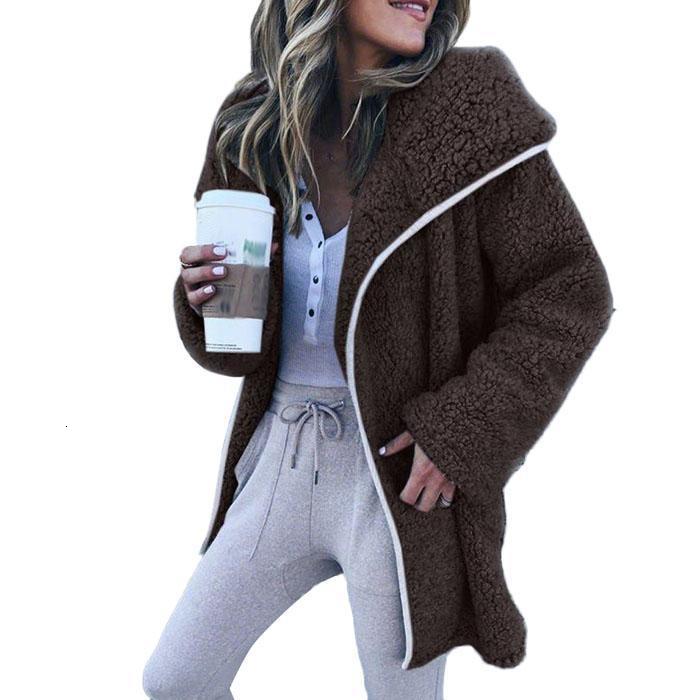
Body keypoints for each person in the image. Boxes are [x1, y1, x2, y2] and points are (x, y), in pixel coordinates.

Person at [143, 1, 614, 698]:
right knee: (176, 680)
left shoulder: (471, 109)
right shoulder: (253, 122)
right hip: (282, 452)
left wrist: (463, 429)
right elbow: (236, 351)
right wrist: (201, 299)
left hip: (396, 477)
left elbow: (570, 288)